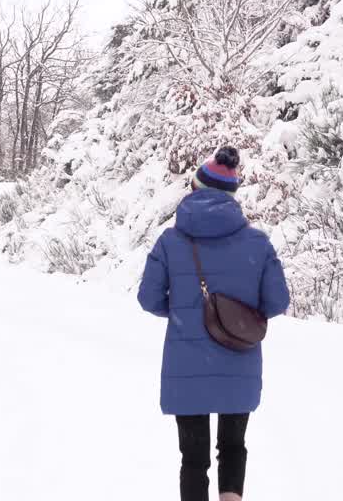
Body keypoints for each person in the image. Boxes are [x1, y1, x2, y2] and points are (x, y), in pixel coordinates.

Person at [136, 146, 290, 501]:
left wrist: (186, 312)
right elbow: (277, 302)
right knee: (233, 447)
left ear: (195, 191)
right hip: (239, 357)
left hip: (186, 364)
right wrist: (237, 313)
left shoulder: (170, 241)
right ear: (231, 196)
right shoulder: (258, 243)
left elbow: (148, 298)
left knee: (193, 460)